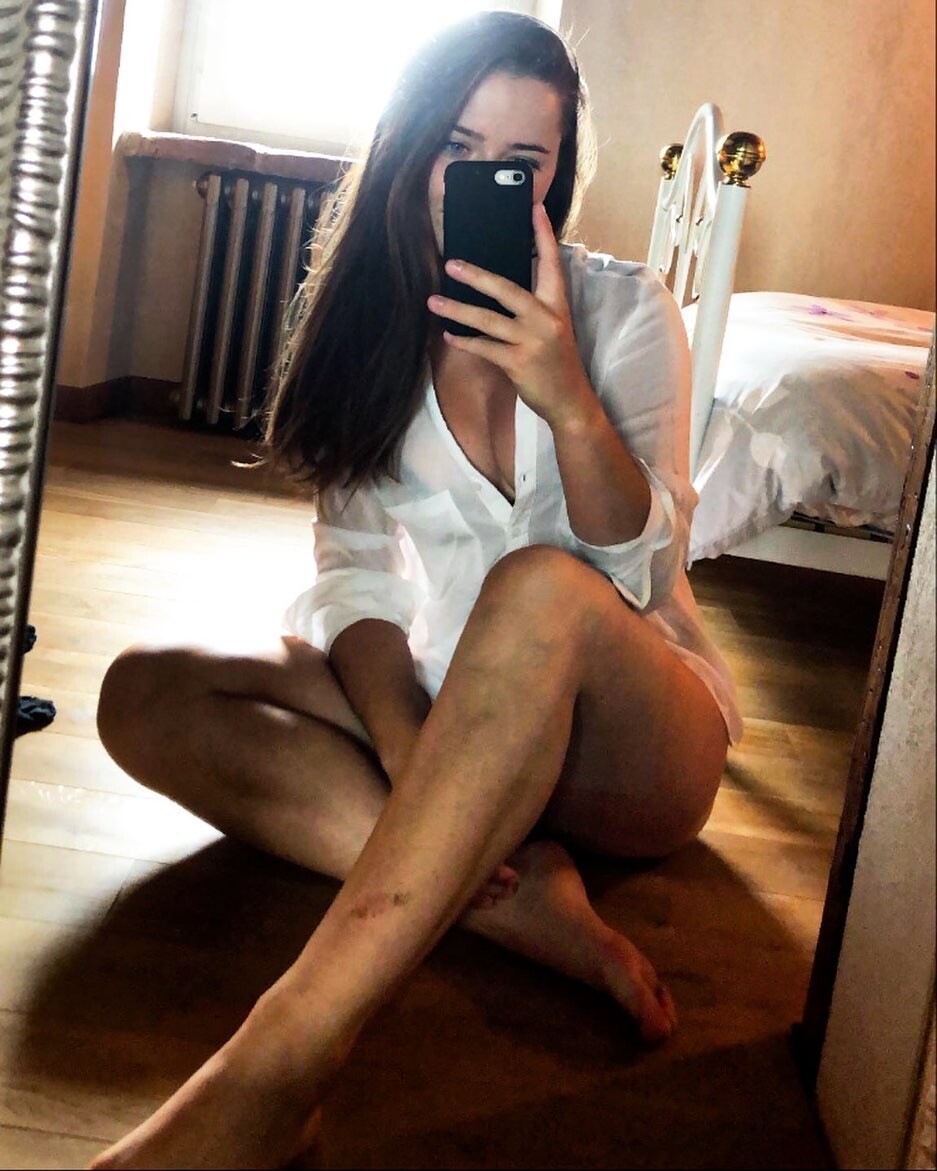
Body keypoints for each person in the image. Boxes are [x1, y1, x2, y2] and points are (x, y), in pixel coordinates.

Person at [91, 10, 742, 1168]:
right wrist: (401, 740)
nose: (480, 178)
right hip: (457, 710)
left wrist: (564, 396)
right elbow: (352, 578)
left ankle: (273, 1067)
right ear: (410, 148)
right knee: (142, 692)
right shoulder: (372, 327)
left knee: (539, 588)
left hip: (634, 738)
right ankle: (514, 909)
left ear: (554, 177)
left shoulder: (624, 311)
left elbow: (644, 572)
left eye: (519, 159)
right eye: (457, 145)